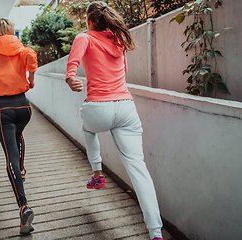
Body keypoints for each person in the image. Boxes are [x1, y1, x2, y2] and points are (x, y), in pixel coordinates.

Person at [65, 2, 163, 240]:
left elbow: (73, 63)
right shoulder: (119, 40)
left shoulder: (84, 37)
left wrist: (70, 78)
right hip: (126, 108)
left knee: (87, 128)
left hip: (98, 108)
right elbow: (122, 71)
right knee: (139, 170)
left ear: (89, 21)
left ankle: (97, 173)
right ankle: (156, 233)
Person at [0, 18, 37, 235]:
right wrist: (30, 80)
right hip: (24, 107)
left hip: (2, 110)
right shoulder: (24, 50)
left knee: (10, 157)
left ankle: (23, 206)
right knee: (19, 134)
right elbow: (32, 60)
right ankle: (22, 169)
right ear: (12, 31)